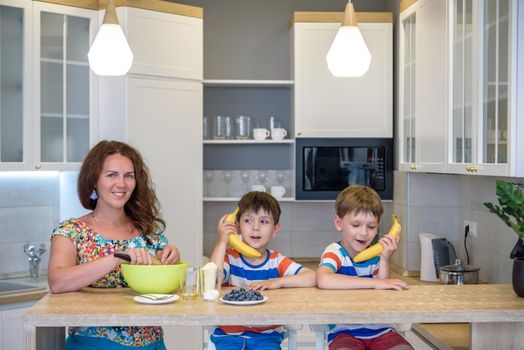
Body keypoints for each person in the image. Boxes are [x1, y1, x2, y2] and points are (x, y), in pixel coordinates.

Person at [47, 140, 180, 350]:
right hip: (92, 345)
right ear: (94, 181)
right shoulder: (71, 231)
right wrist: (117, 257)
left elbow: (169, 288)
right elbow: (57, 282)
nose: (122, 184)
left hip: (152, 343)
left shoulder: (149, 230)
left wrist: (173, 259)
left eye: (129, 176)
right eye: (112, 175)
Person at [210, 191, 316, 350]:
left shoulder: (276, 261)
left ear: (275, 229)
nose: (255, 227)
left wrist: (277, 282)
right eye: (248, 220)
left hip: (266, 337)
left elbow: (312, 277)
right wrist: (221, 242)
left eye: (264, 221)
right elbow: (212, 282)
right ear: (237, 226)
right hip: (228, 336)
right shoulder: (229, 258)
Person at [316, 185, 413, 350]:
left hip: (381, 330)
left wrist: (385, 259)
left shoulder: (376, 256)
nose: (364, 233)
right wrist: (374, 284)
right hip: (344, 333)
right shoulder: (335, 253)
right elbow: (323, 279)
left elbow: (383, 295)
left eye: (371, 227)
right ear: (339, 223)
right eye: (356, 225)